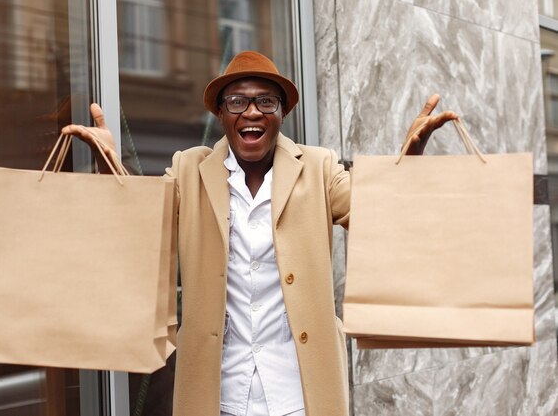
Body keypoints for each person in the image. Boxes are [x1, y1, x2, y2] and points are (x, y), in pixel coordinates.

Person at [62, 51, 457, 416]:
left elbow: (377, 217)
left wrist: (408, 167)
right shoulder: (189, 169)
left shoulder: (319, 167)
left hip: (299, 393)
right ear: (221, 114)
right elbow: (142, 225)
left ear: (281, 113)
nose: (252, 112)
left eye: (266, 101)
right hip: (220, 395)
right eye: (237, 101)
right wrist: (110, 170)